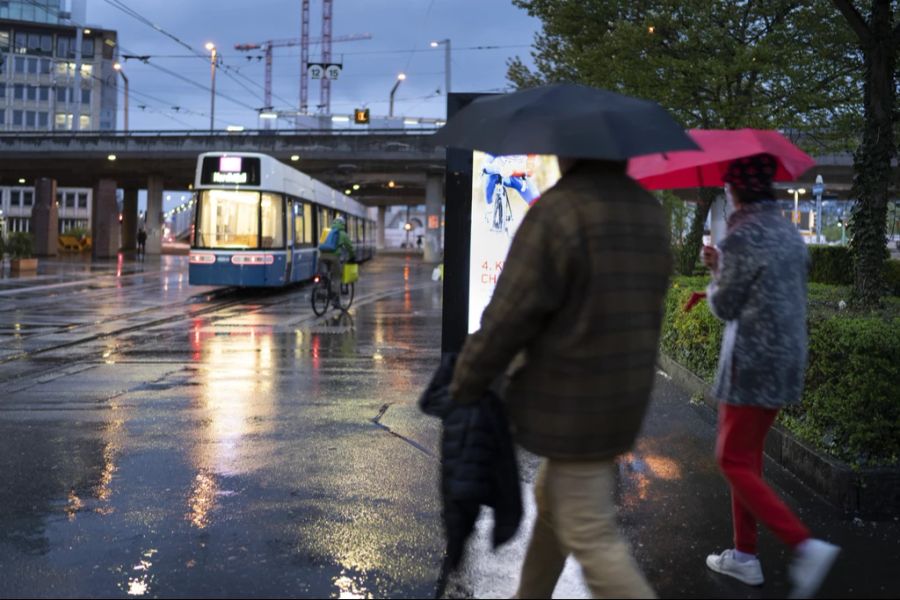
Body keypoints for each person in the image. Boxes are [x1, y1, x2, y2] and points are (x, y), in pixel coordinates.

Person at [450, 157, 672, 599]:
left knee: (591, 533)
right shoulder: (647, 211)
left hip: (572, 403)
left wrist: (467, 379)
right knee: (554, 500)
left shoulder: (561, 211)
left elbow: (508, 317)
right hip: (624, 397)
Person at [702, 154, 840, 599]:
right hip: (785, 362)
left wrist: (715, 273)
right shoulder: (788, 232)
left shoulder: (741, 237)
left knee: (730, 460)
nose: (725, 193)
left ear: (736, 190)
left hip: (750, 364)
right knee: (748, 458)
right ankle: (744, 557)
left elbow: (724, 306)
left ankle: (805, 545)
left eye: (726, 187)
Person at [318, 216, 355, 304]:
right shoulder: (343, 233)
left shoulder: (326, 231)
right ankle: (335, 299)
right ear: (343, 224)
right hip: (334, 257)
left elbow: (320, 244)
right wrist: (352, 256)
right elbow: (349, 247)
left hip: (322, 257)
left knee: (323, 275)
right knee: (336, 277)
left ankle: (321, 286)